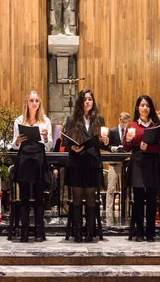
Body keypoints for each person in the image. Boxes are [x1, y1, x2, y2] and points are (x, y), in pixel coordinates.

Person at [63, 88, 108, 243]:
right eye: (84, 99)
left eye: (90, 99)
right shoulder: (72, 119)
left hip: (92, 163)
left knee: (90, 198)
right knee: (76, 198)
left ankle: (90, 231)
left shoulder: (99, 120)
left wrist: (106, 142)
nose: (87, 102)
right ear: (80, 102)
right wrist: (73, 147)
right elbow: (66, 142)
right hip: (77, 162)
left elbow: (102, 144)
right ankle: (77, 231)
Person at [124, 96, 160, 242]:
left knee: (151, 199)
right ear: (137, 108)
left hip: (152, 162)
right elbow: (126, 148)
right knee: (138, 198)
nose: (145, 108)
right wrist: (128, 140)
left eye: (147, 105)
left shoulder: (156, 125)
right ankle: (139, 232)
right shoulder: (132, 125)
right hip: (137, 162)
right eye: (142, 105)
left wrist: (149, 147)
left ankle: (150, 232)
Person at [11, 91, 53, 242]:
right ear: (27, 103)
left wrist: (47, 137)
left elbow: (49, 146)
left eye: (36, 100)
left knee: (38, 196)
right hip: (24, 158)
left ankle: (39, 231)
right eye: (31, 100)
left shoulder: (45, 120)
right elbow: (14, 146)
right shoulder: (19, 120)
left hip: (39, 158)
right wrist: (17, 141)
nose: (34, 103)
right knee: (23, 196)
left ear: (39, 103)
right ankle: (24, 231)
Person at [105, 112, 131, 221]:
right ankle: (108, 212)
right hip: (114, 161)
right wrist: (112, 148)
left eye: (126, 122)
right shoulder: (112, 131)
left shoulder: (130, 132)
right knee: (111, 187)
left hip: (127, 162)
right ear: (119, 120)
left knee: (128, 188)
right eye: (122, 121)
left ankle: (127, 211)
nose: (124, 123)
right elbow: (106, 146)